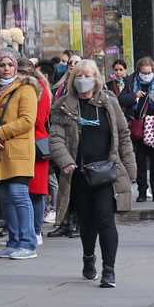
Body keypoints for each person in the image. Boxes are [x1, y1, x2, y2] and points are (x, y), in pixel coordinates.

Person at [49, 60, 135, 289]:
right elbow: (55, 138)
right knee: (87, 222)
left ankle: (109, 270)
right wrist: (66, 161)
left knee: (106, 220)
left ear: (96, 78)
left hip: (106, 173)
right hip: (78, 174)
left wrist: (130, 167)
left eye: (88, 74)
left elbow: (123, 135)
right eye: (79, 75)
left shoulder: (109, 103)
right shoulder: (62, 106)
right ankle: (89, 257)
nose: (83, 79)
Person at [0, 50, 39, 259]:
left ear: (15, 66)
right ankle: (14, 242)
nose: (6, 68)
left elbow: (27, 120)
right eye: (2, 65)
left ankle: (28, 243)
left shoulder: (26, 89)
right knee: (5, 199)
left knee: (19, 195)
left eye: (9, 64)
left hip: (18, 151)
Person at [118, 56, 154, 205]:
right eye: (143, 72)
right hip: (138, 125)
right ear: (138, 71)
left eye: (149, 72)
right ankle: (142, 192)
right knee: (140, 161)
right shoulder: (131, 81)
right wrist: (134, 96)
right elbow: (121, 99)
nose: (146, 75)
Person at [18, 58, 52, 243]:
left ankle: (36, 230)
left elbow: (37, 120)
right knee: (26, 190)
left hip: (36, 142)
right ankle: (27, 230)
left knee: (37, 191)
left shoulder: (39, 89)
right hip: (28, 141)